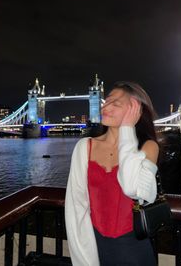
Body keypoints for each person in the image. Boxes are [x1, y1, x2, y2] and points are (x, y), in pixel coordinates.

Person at [65, 81, 159, 266]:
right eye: (106, 101)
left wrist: (126, 131)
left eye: (116, 104)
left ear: (136, 111)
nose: (105, 106)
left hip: (135, 251)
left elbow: (133, 189)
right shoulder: (84, 147)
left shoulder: (148, 147)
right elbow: (76, 207)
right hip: (94, 246)